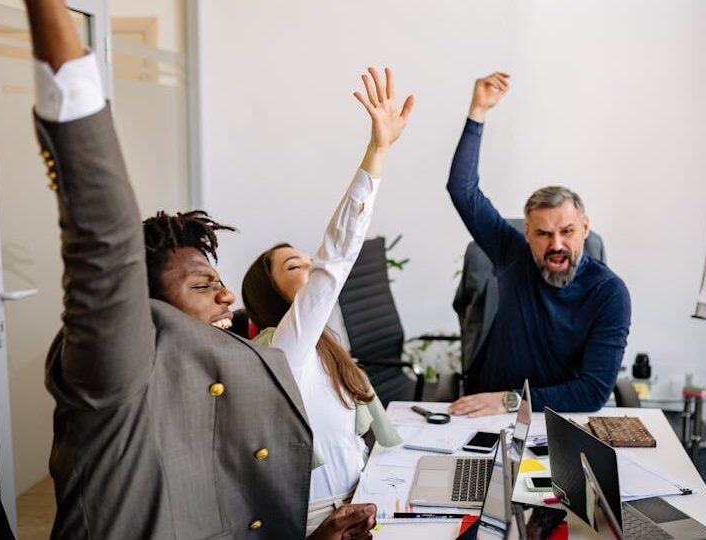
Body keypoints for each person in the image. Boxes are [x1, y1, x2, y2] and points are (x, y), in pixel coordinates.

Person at [27, 1, 374, 538]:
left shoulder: (230, 368)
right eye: (202, 284)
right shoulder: (117, 372)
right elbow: (101, 236)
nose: (226, 297)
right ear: (145, 307)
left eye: (220, 281)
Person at [241, 66, 411, 534]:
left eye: (306, 261)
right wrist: (377, 151)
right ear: (268, 295)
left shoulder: (323, 345)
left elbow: (352, 445)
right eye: (296, 267)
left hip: (367, 499)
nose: (312, 268)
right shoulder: (284, 351)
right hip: (329, 523)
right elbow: (336, 255)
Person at [446, 72, 631, 416]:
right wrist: (478, 111)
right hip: (480, 416)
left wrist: (508, 400)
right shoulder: (513, 254)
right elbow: (462, 190)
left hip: (555, 419)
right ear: (527, 233)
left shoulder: (609, 294)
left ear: (586, 228)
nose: (556, 244)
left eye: (567, 231)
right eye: (544, 234)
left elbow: (591, 393)